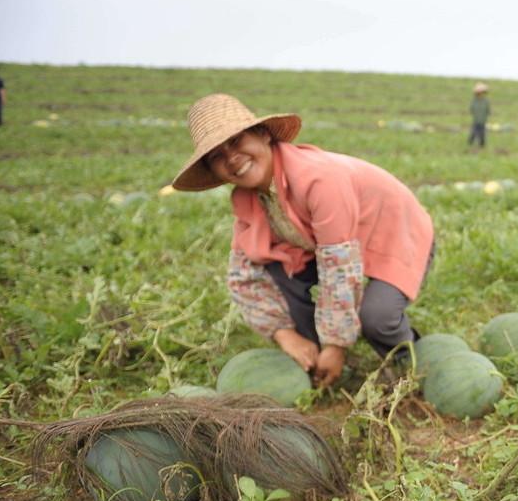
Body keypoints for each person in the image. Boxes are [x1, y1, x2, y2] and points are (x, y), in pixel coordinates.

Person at [171, 94, 434, 388]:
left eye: (236, 141)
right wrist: (285, 335)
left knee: (377, 316)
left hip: (396, 234)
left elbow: (339, 268)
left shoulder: (319, 179)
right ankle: (314, 354)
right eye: (216, 156)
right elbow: (242, 277)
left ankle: (411, 366)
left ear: (262, 135)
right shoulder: (248, 200)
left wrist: (337, 345)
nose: (231, 157)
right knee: (275, 271)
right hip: (331, 245)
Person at [468, 82, 490, 148]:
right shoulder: (474, 101)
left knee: (482, 133)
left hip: (483, 120)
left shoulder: (486, 101)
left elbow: (487, 110)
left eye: (483, 93)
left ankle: (482, 144)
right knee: (474, 132)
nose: (481, 94)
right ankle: (470, 142)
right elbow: (472, 109)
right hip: (476, 120)